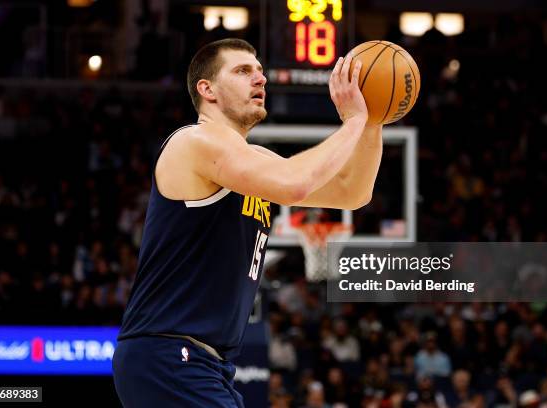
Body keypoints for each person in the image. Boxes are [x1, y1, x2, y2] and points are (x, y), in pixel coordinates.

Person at [112, 38, 383, 407]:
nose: (260, 79)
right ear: (206, 89)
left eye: (259, 72)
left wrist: (374, 120)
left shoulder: (252, 160)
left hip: (206, 364)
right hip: (169, 355)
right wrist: (352, 121)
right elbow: (294, 184)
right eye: (242, 71)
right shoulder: (195, 141)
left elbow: (354, 192)